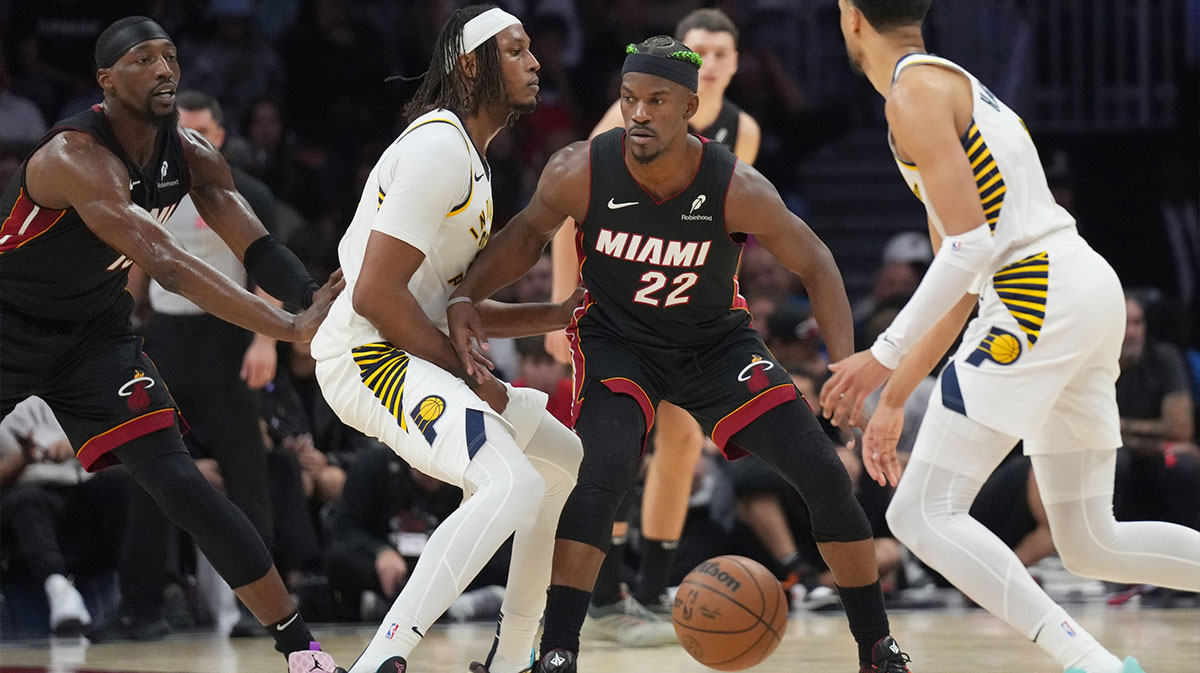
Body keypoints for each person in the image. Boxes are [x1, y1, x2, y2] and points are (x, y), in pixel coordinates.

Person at [448, 36, 912, 673]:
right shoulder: (579, 169)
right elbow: (526, 236)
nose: (639, 112)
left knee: (825, 475)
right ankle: (555, 655)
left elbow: (818, 263)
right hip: (619, 342)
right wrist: (465, 297)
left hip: (715, 346)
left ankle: (877, 649)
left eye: (657, 100)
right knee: (599, 475)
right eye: (629, 98)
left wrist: (843, 365)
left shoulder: (735, 185)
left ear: (689, 107)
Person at [821, 2, 1200, 673]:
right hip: (1078, 284)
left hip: (1036, 292)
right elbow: (960, 276)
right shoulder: (952, 85)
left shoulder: (914, 94)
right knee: (1089, 539)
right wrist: (894, 395)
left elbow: (969, 248)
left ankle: (1090, 662)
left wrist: (879, 355)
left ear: (851, 16)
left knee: (920, 514)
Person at [0, 16, 347, 672]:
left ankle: (302, 651)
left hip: (94, 336)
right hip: (8, 322)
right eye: (143, 59)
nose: (164, 69)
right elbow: (170, 265)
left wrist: (311, 298)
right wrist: (287, 327)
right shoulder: (73, 156)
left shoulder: (192, 154)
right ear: (106, 80)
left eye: (169, 56)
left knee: (182, 484)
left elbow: (258, 246)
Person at [307, 6, 583, 673]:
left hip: (409, 348)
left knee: (562, 460)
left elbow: (445, 308)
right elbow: (375, 295)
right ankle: (382, 659)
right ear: (471, 65)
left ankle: (515, 654)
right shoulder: (437, 148)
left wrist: (561, 312)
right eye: (516, 50)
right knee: (509, 482)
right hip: (368, 353)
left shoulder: (472, 157)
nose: (536, 61)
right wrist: (468, 374)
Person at [543, 10, 764, 641]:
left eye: (723, 51)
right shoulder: (627, 118)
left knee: (683, 442)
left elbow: (727, 226)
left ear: (735, 63)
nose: (713, 61)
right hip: (615, 297)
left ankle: (650, 591)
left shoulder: (741, 128)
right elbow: (569, 208)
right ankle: (604, 599)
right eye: (701, 50)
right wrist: (564, 303)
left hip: (678, 300)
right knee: (615, 445)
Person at [126, 88, 284, 636]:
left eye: (198, 133)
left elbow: (270, 270)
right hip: (166, 337)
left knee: (247, 475)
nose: (186, 142)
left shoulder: (250, 192)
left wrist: (266, 341)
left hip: (230, 338)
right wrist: (130, 323)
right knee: (150, 467)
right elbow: (136, 261)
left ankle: (259, 610)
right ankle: (144, 601)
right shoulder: (149, 191)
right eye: (178, 131)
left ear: (218, 137)